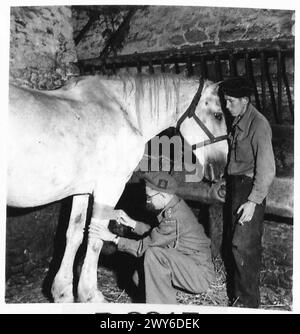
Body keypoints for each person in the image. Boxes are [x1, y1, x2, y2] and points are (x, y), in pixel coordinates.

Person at [99, 171, 215, 304]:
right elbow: (158, 234)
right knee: (139, 277)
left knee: (153, 255)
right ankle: (165, 293)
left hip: (199, 275)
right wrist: (132, 223)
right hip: (188, 265)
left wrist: (114, 238)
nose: (148, 201)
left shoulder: (175, 218)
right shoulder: (173, 206)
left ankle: (160, 311)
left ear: (162, 195)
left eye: (149, 197)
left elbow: (142, 248)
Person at [219, 77, 276, 308]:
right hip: (236, 186)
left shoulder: (259, 125)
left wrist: (253, 201)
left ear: (245, 100)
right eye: (225, 101)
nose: (227, 105)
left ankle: (249, 305)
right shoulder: (237, 119)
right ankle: (236, 299)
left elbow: (267, 169)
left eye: (231, 101)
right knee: (233, 243)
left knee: (244, 246)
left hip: (250, 190)